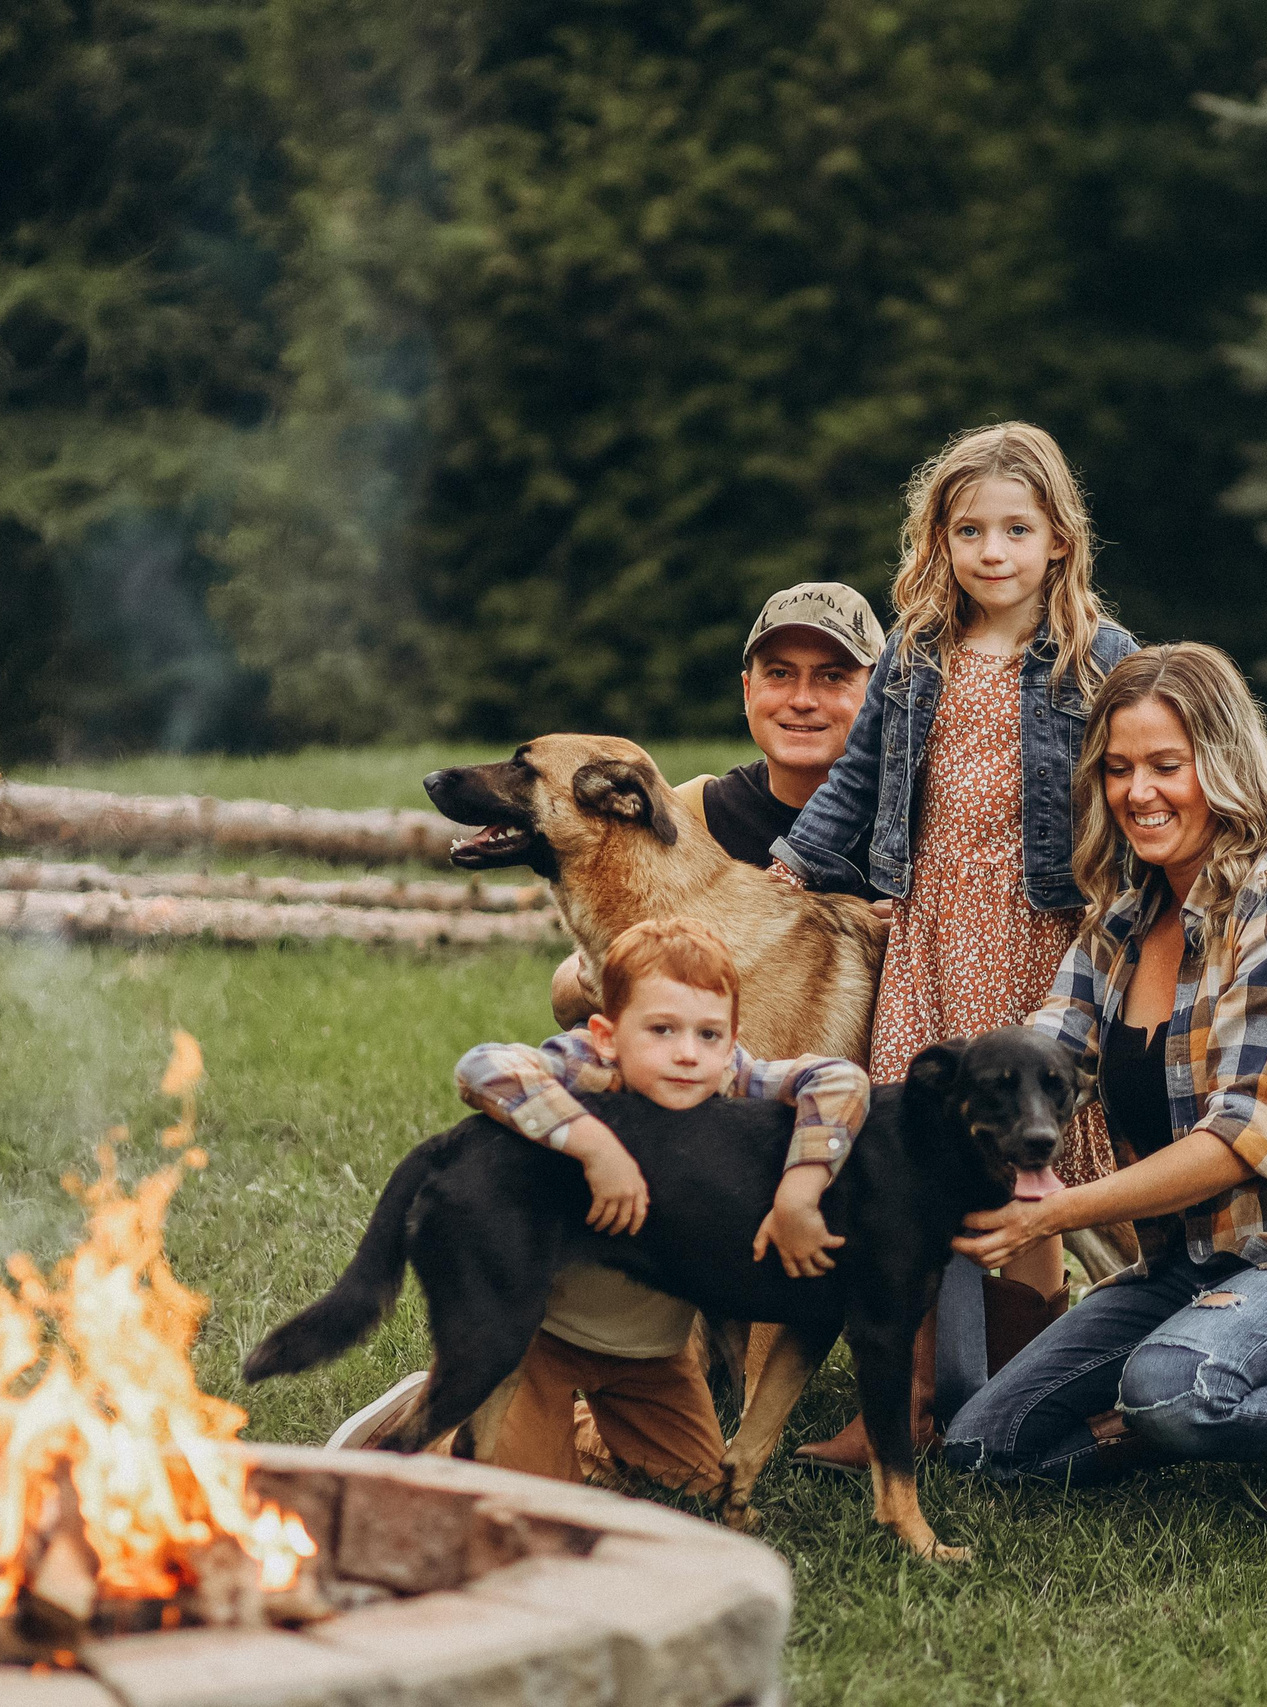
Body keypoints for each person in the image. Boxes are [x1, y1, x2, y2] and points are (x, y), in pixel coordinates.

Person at [940, 643, 1267, 1515]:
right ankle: (1174, 1407)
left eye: (1167, 764)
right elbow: (1046, 1050)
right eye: (1117, 769)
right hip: (1195, 1264)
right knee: (982, 1446)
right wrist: (922, 1121)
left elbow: (1244, 1136)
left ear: (1223, 760)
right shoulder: (1124, 914)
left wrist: (1061, 1210)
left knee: (1173, 1387)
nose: (1137, 792)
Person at [768, 421, 1138, 1470]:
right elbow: (859, 779)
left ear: (1059, 540)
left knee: (1034, 1153)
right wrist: (794, 866)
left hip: (1039, 931)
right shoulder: (917, 652)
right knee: (917, 1156)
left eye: (1015, 529)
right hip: (933, 929)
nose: (992, 551)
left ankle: (1022, 1396)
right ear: (938, 540)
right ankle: (913, 1396)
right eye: (968, 529)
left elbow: (1135, 778)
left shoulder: (1097, 656)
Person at [330, 917, 871, 1500]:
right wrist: (593, 1144)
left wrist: (800, 1190)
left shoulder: (727, 1078)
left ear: (732, 1038)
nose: (687, 1054)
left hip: (651, 1355)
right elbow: (483, 1067)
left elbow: (840, 1080)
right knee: (530, 1493)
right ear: (608, 1036)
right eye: (661, 1030)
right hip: (547, 1337)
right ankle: (430, 1421)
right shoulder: (592, 1069)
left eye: (709, 1034)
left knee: (701, 1490)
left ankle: (579, 1434)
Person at [549, 582, 885, 1029]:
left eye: (832, 677)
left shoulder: (925, 817)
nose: (802, 700)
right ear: (747, 692)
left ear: (882, 697)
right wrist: (609, 974)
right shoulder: (689, 815)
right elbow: (568, 994)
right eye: (780, 674)